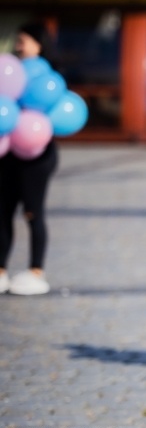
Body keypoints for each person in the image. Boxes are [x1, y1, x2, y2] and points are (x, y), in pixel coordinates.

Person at [0, 22, 59, 296]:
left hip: (37, 153)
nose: (18, 46)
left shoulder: (47, 77)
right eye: (18, 41)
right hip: (8, 150)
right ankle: (0, 270)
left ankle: (36, 270)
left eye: (24, 41)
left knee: (32, 212)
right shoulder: (9, 70)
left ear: (39, 44)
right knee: (2, 213)